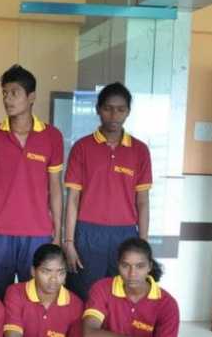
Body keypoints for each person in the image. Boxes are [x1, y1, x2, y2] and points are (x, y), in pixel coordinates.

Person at [0, 64, 64, 299]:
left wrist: (58, 233)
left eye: (14, 93)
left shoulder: (52, 137)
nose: (8, 99)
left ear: (31, 97)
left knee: (34, 297)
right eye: (4, 93)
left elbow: (55, 187)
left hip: (38, 232)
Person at [63, 82, 152, 300]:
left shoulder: (140, 151)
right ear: (98, 109)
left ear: (128, 112)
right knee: (85, 295)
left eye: (121, 109)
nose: (114, 115)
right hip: (87, 234)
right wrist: (69, 242)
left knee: (120, 296)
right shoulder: (82, 147)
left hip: (125, 234)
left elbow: (142, 202)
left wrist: (143, 244)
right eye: (108, 108)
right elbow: (72, 199)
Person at [82, 238, 179, 336]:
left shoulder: (167, 304)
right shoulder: (102, 288)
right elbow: (89, 333)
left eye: (140, 266)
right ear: (118, 265)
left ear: (149, 267)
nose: (132, 273)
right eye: (125, 265)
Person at [3, 244, 83, 337]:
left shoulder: (76, 304)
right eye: (46, 272)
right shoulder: (15, 293)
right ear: (33, 271)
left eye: (60, 272)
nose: (53, 279)